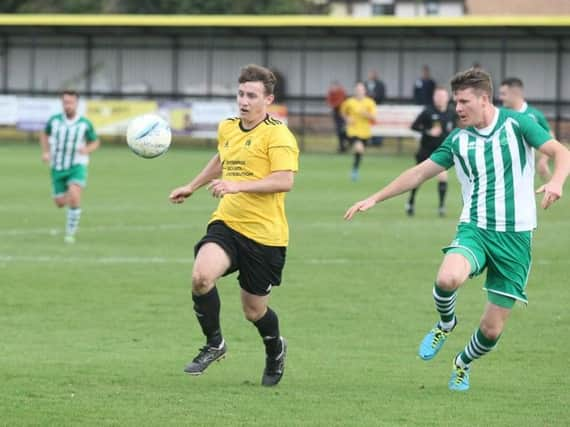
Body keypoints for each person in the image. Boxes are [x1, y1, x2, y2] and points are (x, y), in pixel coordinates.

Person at [345, 67, 570, 391]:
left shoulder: (517, 123)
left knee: (492, 331)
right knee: (447, 277)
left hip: (516, 238)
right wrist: (375, 198)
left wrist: (557, 182)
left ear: (484, 99)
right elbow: (419, 173)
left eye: (464, 101)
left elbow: (559, 151)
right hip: (475, 229)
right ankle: (446, 323)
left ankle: (462, 363)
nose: (458, 108)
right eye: (456, 102)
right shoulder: (458, 140)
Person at [169, 64, 299, 387]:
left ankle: (275, 348)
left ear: (268, 100)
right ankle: (215, 344)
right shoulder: (227, 127)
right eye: (240, 93)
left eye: (251, 95)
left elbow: (285, 180)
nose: (243, 101)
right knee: (201, 277)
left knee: (254, 311)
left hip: (265, 236)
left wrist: (238, 186)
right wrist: (193, 185)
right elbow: (221, 159)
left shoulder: (278, 134)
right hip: (228, 222)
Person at [39, 90, 100, 244]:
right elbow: (45, 135)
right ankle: (69, 195)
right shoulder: (54, 121)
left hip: (77, 165)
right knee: (59, 203)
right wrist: (46, 152)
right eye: (65, 102)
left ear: (77, 103)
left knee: (74, 195)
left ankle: (70, 233)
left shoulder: (84, 123)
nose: (68, 105)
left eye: (71, 102)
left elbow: (95, 142)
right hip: (58, 166)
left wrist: (87, 150)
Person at [407, 86, 457, 217]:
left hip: (442, 152)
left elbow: (456, 128)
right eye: (438, 96)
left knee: (443, 177)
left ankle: (441, 206)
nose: (440, 99)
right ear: (434, 98)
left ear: (447, 98)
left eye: (442, 96)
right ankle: (411, 202)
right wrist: (428, 132)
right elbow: (414, 126)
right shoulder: (427, 112)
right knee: (418, 178)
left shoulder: (452, 112)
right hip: (425, 151)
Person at [499, 77, 553, 181]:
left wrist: (543, 160)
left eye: (503, 94)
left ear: (514, 94)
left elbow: (550, 136)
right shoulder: (499, 114)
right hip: (503, 171)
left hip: (526, 172)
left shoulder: (534, 115)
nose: (500, 97)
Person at [340, 82, 377, 181]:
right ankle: (354, 172)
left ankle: (355, 169)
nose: (359, 91)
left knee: (360, 151)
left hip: (365, 132)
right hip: (352, 131)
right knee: (359, 148)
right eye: (357, 90)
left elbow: (374, 117)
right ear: (354, 91)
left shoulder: (370, 102)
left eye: (361, 90)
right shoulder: (349, 102)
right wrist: (347, 118)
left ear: (364, 91)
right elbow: (342, 112)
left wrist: (366, 114)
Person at [364, 70, 386, 146]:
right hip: (367, 109)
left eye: (373, 74)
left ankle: (377, 141)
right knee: (367, 123)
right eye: (370, 74)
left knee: (377, 124)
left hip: (377, 107)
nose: (371, 76)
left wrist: (375, 97)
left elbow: (382, 95)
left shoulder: (380, 84)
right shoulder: (365, 84)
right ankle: (366, 139)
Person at [326, 81, 348, 153]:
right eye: (332, 87)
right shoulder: (331, 93)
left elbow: (340, 102)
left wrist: (334, 105)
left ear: (337, 86)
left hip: (343, 113)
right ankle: (342, 146)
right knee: (339, 130)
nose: (333, 88)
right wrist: (333, 105)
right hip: (336, 113)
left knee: (343, 130)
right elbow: (329, 101)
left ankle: (345, 144)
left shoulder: (341, 92)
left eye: (334, 87)